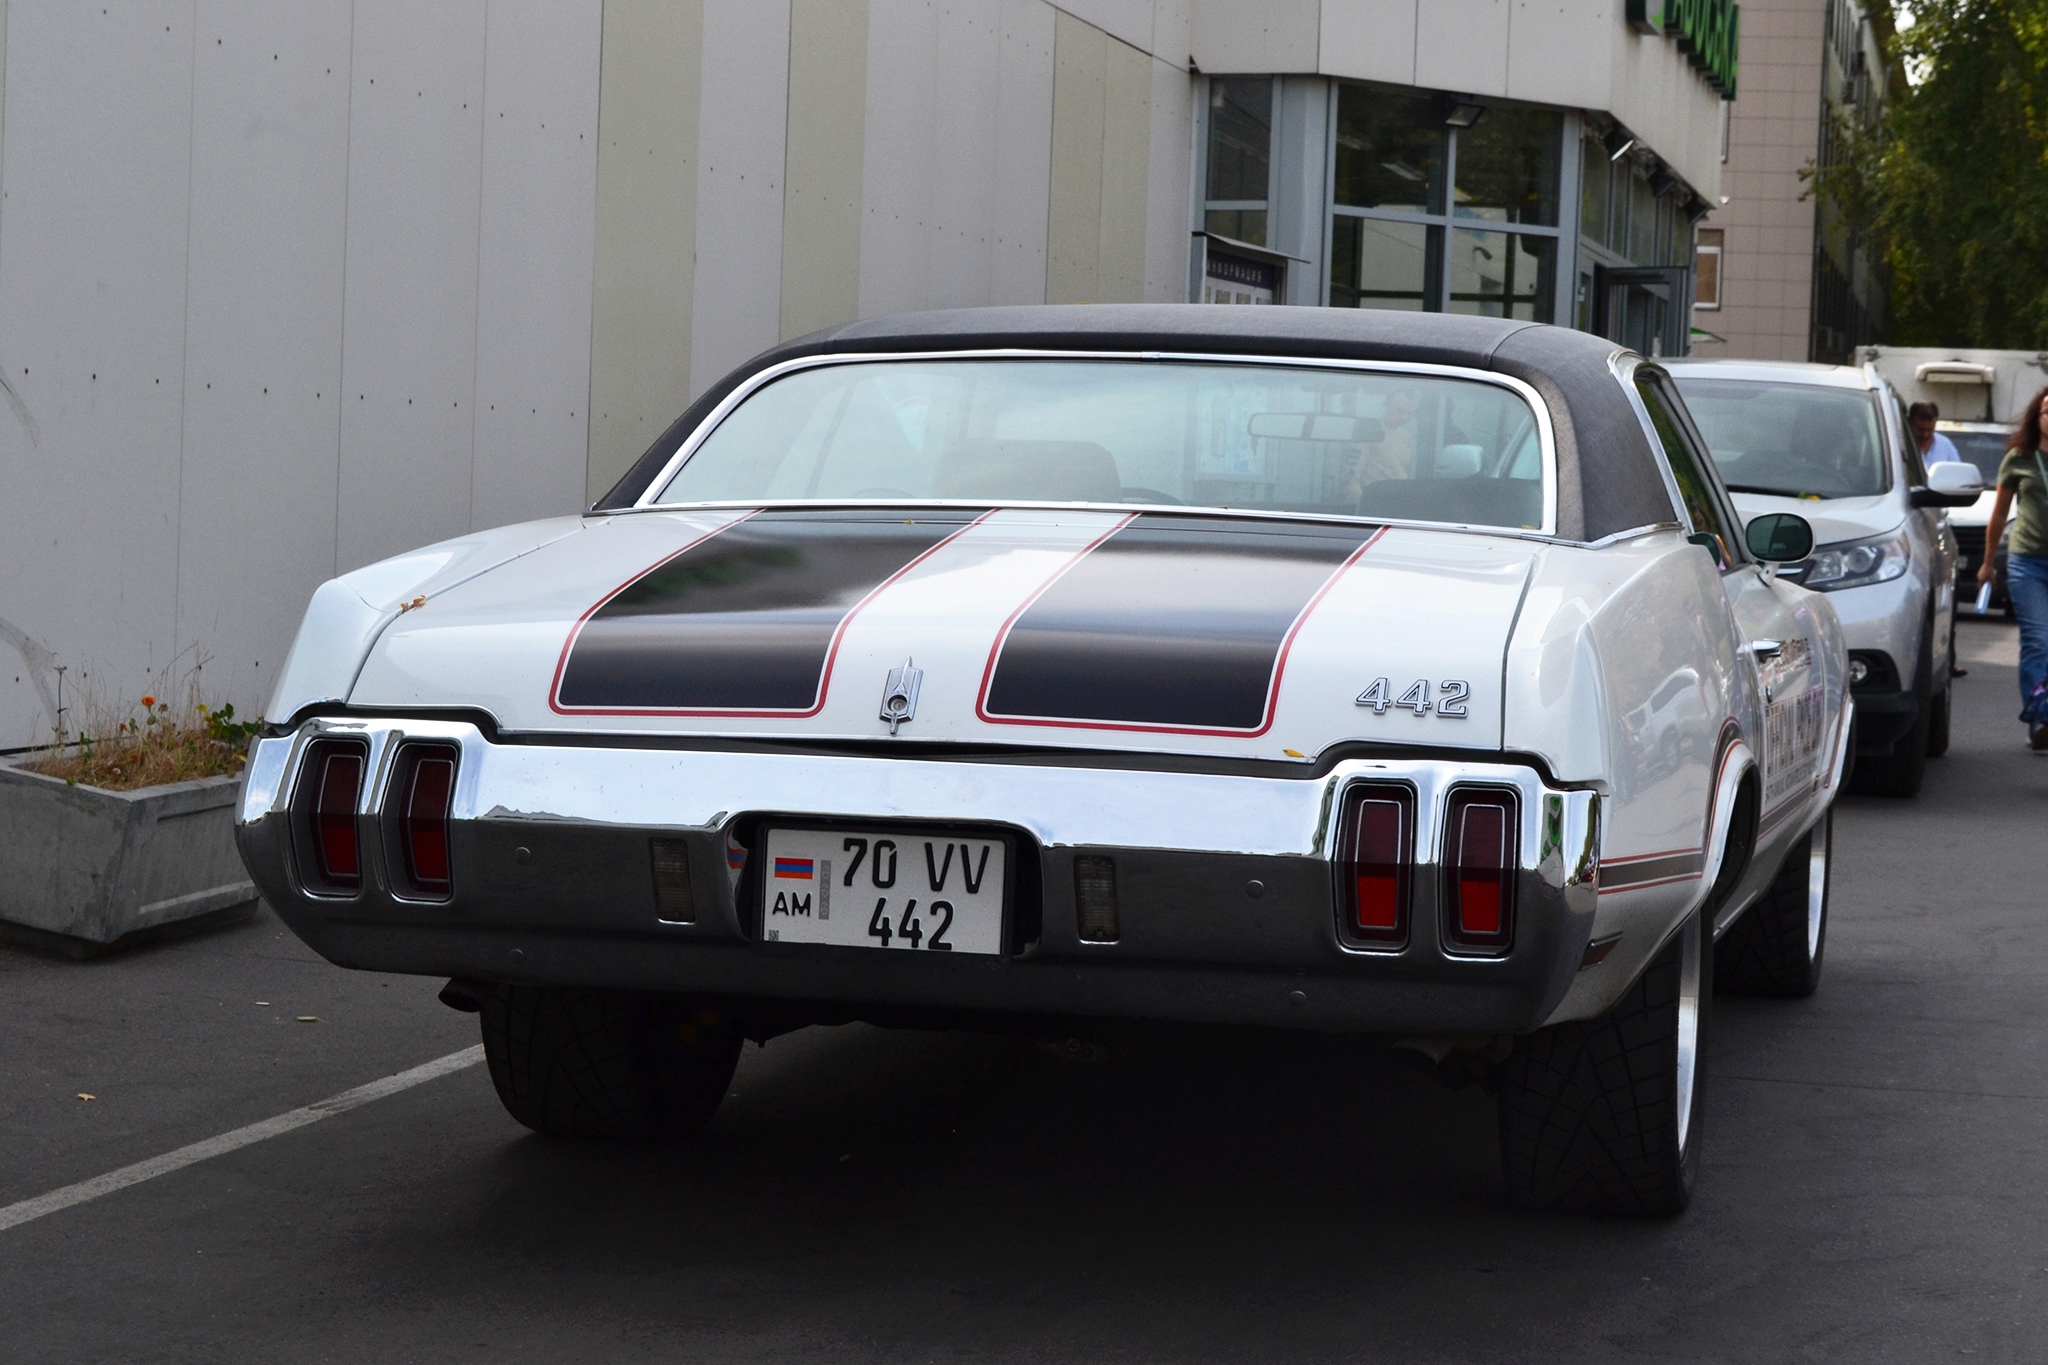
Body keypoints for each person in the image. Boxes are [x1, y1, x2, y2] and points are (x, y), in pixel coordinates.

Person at [1978, 387, 2048, 748]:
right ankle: (2042, 716)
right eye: (2047, 411)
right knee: (2039, 640)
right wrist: (1988, 563)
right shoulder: (2020, 458)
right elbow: (2000, 514)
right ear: (2037, 418)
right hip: (2028, 562)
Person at [1909, 401, 1961, 466]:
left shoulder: (1945, 445)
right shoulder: (1902, 445)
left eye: (1930, 429)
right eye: (1920, 430)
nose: (1925, 435)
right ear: (1911, 423)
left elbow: (1956, 471)